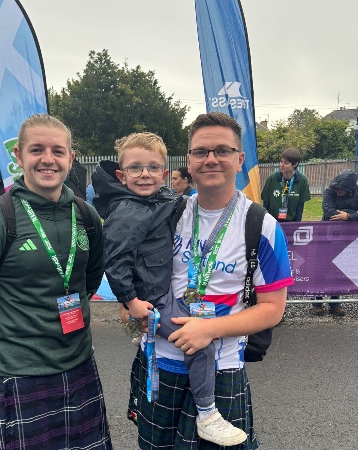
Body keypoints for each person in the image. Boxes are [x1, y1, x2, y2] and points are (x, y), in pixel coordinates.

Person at [0, 114, 112, 450]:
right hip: (21, 372)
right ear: (19, 157)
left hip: (80, 364)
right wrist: (4, 334)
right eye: (37, 150)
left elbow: (89, 279)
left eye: (57, 151)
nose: (48, 159)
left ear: (70, 159)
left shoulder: (87, 216)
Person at [127, 112, 293, 450]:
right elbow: (136, 271)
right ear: (189, 160)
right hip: (158, 361)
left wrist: (209, 329)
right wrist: (129, 308)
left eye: (222, 150)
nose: (211, 159)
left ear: (239, 159)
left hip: (219, 368)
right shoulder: (168, 213)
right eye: (201, 151)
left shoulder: (261, 225)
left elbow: (273, 309)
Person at [92, 132, 247, 446]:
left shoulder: (156, 200)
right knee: (201, 344)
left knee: (200, 329)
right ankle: (207, 414)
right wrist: (131, 303)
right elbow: (115, 263)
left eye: (153, 168)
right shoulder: (126, 212)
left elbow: (178, 203)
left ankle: (145, 331)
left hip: (162, 292)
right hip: (153, 299)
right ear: (121, 176)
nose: (145, 174)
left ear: (164, 174)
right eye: (135, 168)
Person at [311, 169, 358, 316]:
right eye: (336, 189)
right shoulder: (329, 191)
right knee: (321, 268)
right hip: (326, 235)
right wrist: (352, 214)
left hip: (346, 238)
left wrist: (348, 215)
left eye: (341, 190)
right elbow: (329, 212)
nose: (338, 192)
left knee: (339, 269)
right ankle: (317, 302)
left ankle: (335, 303)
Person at [261, 148, 311, 222]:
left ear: (295, 164)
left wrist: (297, 224)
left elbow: (300, 206)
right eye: (281, 162)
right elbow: (266, 203)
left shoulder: (302, 180)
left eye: (286, 163)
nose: (282, 165)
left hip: (291, 222)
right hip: (273, 221)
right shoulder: (272, 178)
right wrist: (266, 222)